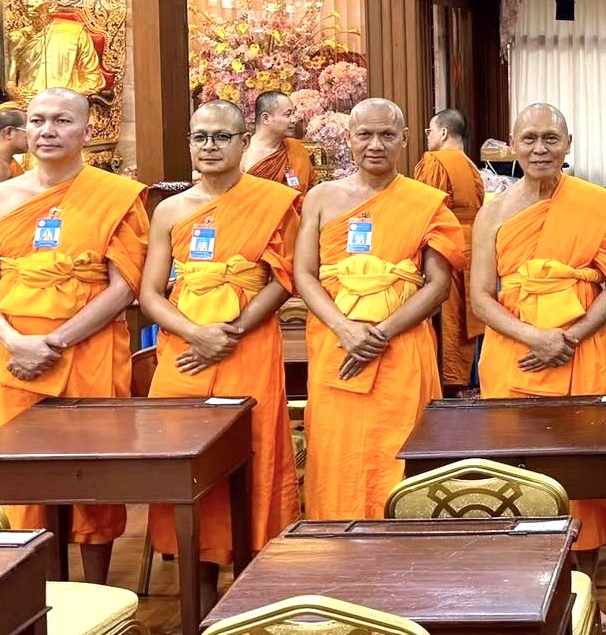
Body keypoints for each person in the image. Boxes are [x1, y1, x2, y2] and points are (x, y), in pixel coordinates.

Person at [0, 89, 146, 583]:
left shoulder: (115, 195)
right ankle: (27, 599)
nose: (47, 131)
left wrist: (55, 342)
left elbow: (124, 286)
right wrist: (12, 341)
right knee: (17, 478)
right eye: (37, 121)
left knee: (93, 477)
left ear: (86, 132)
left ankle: (98, 594)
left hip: (87, 351)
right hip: (12, 355)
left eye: (62, 121)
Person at [137, 100, 301, 587]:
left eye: (221, 136)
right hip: (183, 350)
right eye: (200, 136)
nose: (209, 146)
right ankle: (197, 591)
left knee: (251, 454)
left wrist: (230, 332)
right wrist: (197, 334)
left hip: (246, 346)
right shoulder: (169, 210)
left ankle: (252, 582)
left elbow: (282, 280)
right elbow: (149, 293)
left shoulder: (272, 201)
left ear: (243, 140)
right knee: (184, 461)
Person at [470, 103, 606, 555]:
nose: (540, 149)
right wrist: (536, 339)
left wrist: (570, 338)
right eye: (529, 139)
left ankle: (587, 586)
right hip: (514, 354)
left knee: (586, 472)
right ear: (512, 145)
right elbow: (480, 296)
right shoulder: (493, 212)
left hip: (583, 353)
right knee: (519, 471)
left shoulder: (594, 203)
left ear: (569, 145)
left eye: (550, 139)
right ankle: (527, 580)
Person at [295, 99, 461, 520]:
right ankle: (337, 549)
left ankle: (407, 560)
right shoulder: (320, 198)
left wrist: (380, 333)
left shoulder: (426, 201)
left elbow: (439, 285)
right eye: (365, 134)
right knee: (337, 453)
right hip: (336, 347)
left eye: (387, 135)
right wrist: (345, 328)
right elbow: (304, 275)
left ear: (405, 140)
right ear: (348, 138)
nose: (375, 145)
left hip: (402, 351)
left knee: (401, 455)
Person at [413, 108, 487, 390]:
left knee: (449, 318)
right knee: (468, 317)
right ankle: (470, 381)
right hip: (472, 245)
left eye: (429, 131)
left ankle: (450, 382)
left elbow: (424, 208)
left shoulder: (436, 161)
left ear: (442, 132)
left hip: (446, 244)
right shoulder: (470, 166)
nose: (428, 137)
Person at [244, 90, 313, 193]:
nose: (294, 120)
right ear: (266, 118)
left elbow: (310, 189)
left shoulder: (296, 148)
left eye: (293, 113)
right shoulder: (243, 153)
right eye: (288, 114)